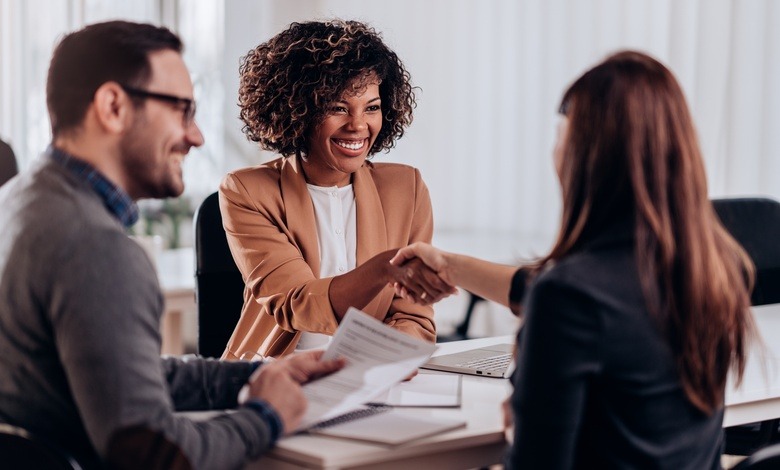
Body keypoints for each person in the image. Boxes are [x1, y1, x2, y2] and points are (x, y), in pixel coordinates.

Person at [0, 21, 344, 470]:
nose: (196, 135)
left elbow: (122, 374)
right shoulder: (95, 249)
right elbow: (154, 454)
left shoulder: (20, 202)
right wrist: (266, 417)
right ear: (113, 106)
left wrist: (261, 373)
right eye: (182, 110)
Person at [391, 51, 755, 469]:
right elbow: (561, 293)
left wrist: (518, 426)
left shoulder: (570, 295)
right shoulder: (709, 272)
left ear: (588, 155)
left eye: (563, 131)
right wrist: (450, 266)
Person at [220, 19, 452, 360]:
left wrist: (385, 363)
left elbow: (413, 316)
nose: (358, 125)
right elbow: (296, 302)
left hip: (369, 378)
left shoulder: (407, 189)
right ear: (298, 110)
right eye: (337, 108)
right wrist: (385, 268)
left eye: (372, 107)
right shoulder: (247, 191)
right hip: (275, 375)